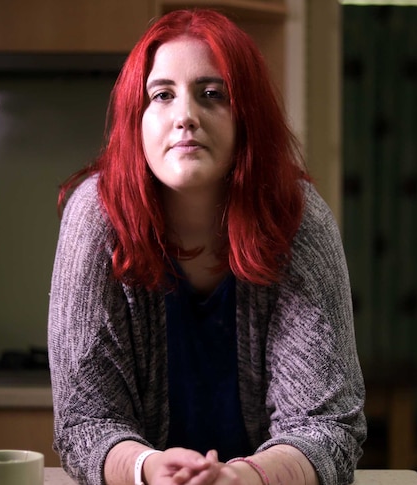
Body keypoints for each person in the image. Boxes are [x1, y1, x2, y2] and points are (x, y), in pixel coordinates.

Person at [48, 8, 366, 485]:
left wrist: (247, 479)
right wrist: (147, 469)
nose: (186, 116)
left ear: (247, 116)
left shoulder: (298, 217)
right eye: (162, 95)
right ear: (137, 119)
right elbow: (83, 420)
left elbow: (328, 425)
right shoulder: (96, 214)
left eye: (212, 94)